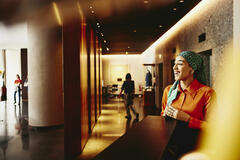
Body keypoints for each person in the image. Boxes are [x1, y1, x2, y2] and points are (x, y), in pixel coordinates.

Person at [161, 51, 216, 159]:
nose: (174, 67)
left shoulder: (207, 93)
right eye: (174, 64)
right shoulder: (168, 91)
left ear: (192, 69)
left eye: (180, 64)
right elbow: (162, 117)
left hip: (195, 150)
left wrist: (188, 119)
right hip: (169, 148)